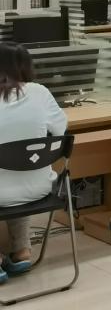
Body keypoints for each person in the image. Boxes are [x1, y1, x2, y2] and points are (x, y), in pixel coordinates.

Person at [0, 43, 67, 282]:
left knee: (6, 179)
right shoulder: (40, 92)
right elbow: (61, 130)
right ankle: (22, 252)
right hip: (39, 189)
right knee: (18, 173)